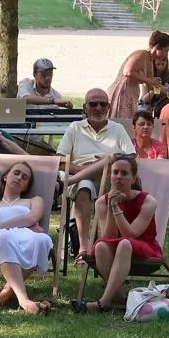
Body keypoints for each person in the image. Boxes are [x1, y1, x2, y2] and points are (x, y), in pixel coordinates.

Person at [72, 154, 162, 313]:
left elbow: (131, 234)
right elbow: (108, 237)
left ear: (133, 179)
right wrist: (111, 204)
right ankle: (120, 296)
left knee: (125, 243)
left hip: (145, 247)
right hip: (118, 247)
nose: (118, 176)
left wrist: (115, 207)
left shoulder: (148, 201)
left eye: (124, 173)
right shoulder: (102, 202)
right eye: (115, 172)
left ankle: (103, 303)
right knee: (100, 246)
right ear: (110, 176)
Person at [58, 89, 134, 258]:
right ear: (85, 108)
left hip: (111, 179)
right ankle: (83, 250)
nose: (98, 108)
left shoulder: (118, 129)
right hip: (82, 180)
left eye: (103, 104)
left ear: (108, 107)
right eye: (93, 104)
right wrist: (89, 171)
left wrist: (106, 166)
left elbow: (131, 157)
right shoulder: (75, 128)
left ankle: (104, 248)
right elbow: (60, 161)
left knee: (110, 159)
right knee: (84, 186)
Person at [0, 161, 55, 314]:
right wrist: (23, 225)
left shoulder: (34, 200)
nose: (19, 178)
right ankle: (24, 300)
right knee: (4, 238)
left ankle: (2, 297)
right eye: (16, 173)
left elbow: (32, 218)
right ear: (5, 177)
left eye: (25, 177)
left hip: (27, 239)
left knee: (41, 239)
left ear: (26, 186)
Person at [109, 31, 169, 121]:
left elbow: (152, 86)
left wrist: (167, 91)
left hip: (132, 93)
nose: (167, 54)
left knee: (128, 123)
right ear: (157, 47)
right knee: (120, 122)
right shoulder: (142, 54)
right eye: (166, 50)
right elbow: (128, 72)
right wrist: (150, 81)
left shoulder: (150, 60)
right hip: (123, 91)